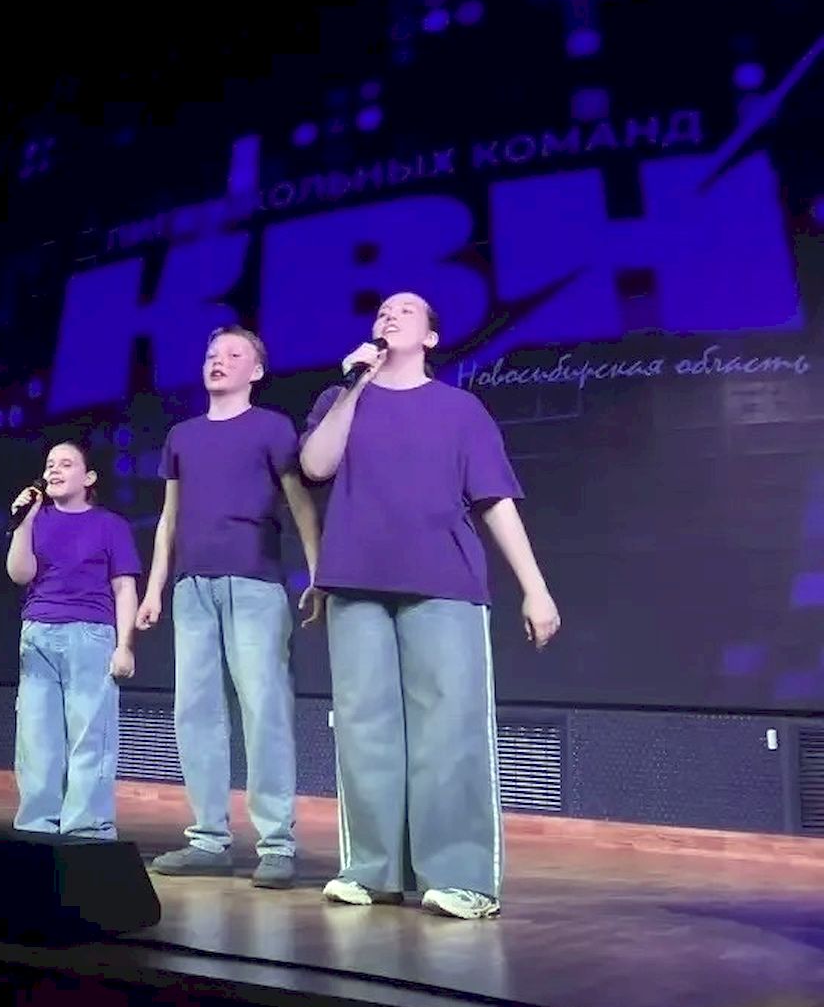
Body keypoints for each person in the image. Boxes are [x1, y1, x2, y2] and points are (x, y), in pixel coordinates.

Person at [299, 291, 561, 920]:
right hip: (355, 580)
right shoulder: (341, 398)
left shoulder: (459, 409)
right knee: (364, 728)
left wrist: (535, 586)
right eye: (383, 312)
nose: (390, 316)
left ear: (432, 337)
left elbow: (495, 499)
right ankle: (373, 870)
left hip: (444, 582)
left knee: (449, 731)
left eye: (406, 312)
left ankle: (462, 877)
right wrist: (356, 384)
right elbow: (315, 464)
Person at [137, 326, 323, 888]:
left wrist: (319, 574)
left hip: (254, 582)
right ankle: (208, 839)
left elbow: (300, 505)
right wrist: (154, 587)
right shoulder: (183, 435)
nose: (218, 361)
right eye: (212, 354)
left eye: (233, 354)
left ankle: (276, 843)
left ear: (256, 371)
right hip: (192, 586)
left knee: (264, 709)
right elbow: (169, 518)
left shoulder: (272, 427)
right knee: (195, 711)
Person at [6, 441, 140, 838]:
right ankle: (37, 827)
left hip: (91, 634)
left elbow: (124, 588)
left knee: (90, 737)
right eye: (50, 464)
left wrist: (125, 645)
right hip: (38, 633)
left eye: (66, 464)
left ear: (89, 477)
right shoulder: (36, 519)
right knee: (36, 739)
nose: (54, 470)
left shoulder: (110, 524)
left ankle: (87, 829)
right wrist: (24, 521)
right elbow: (19, 573)